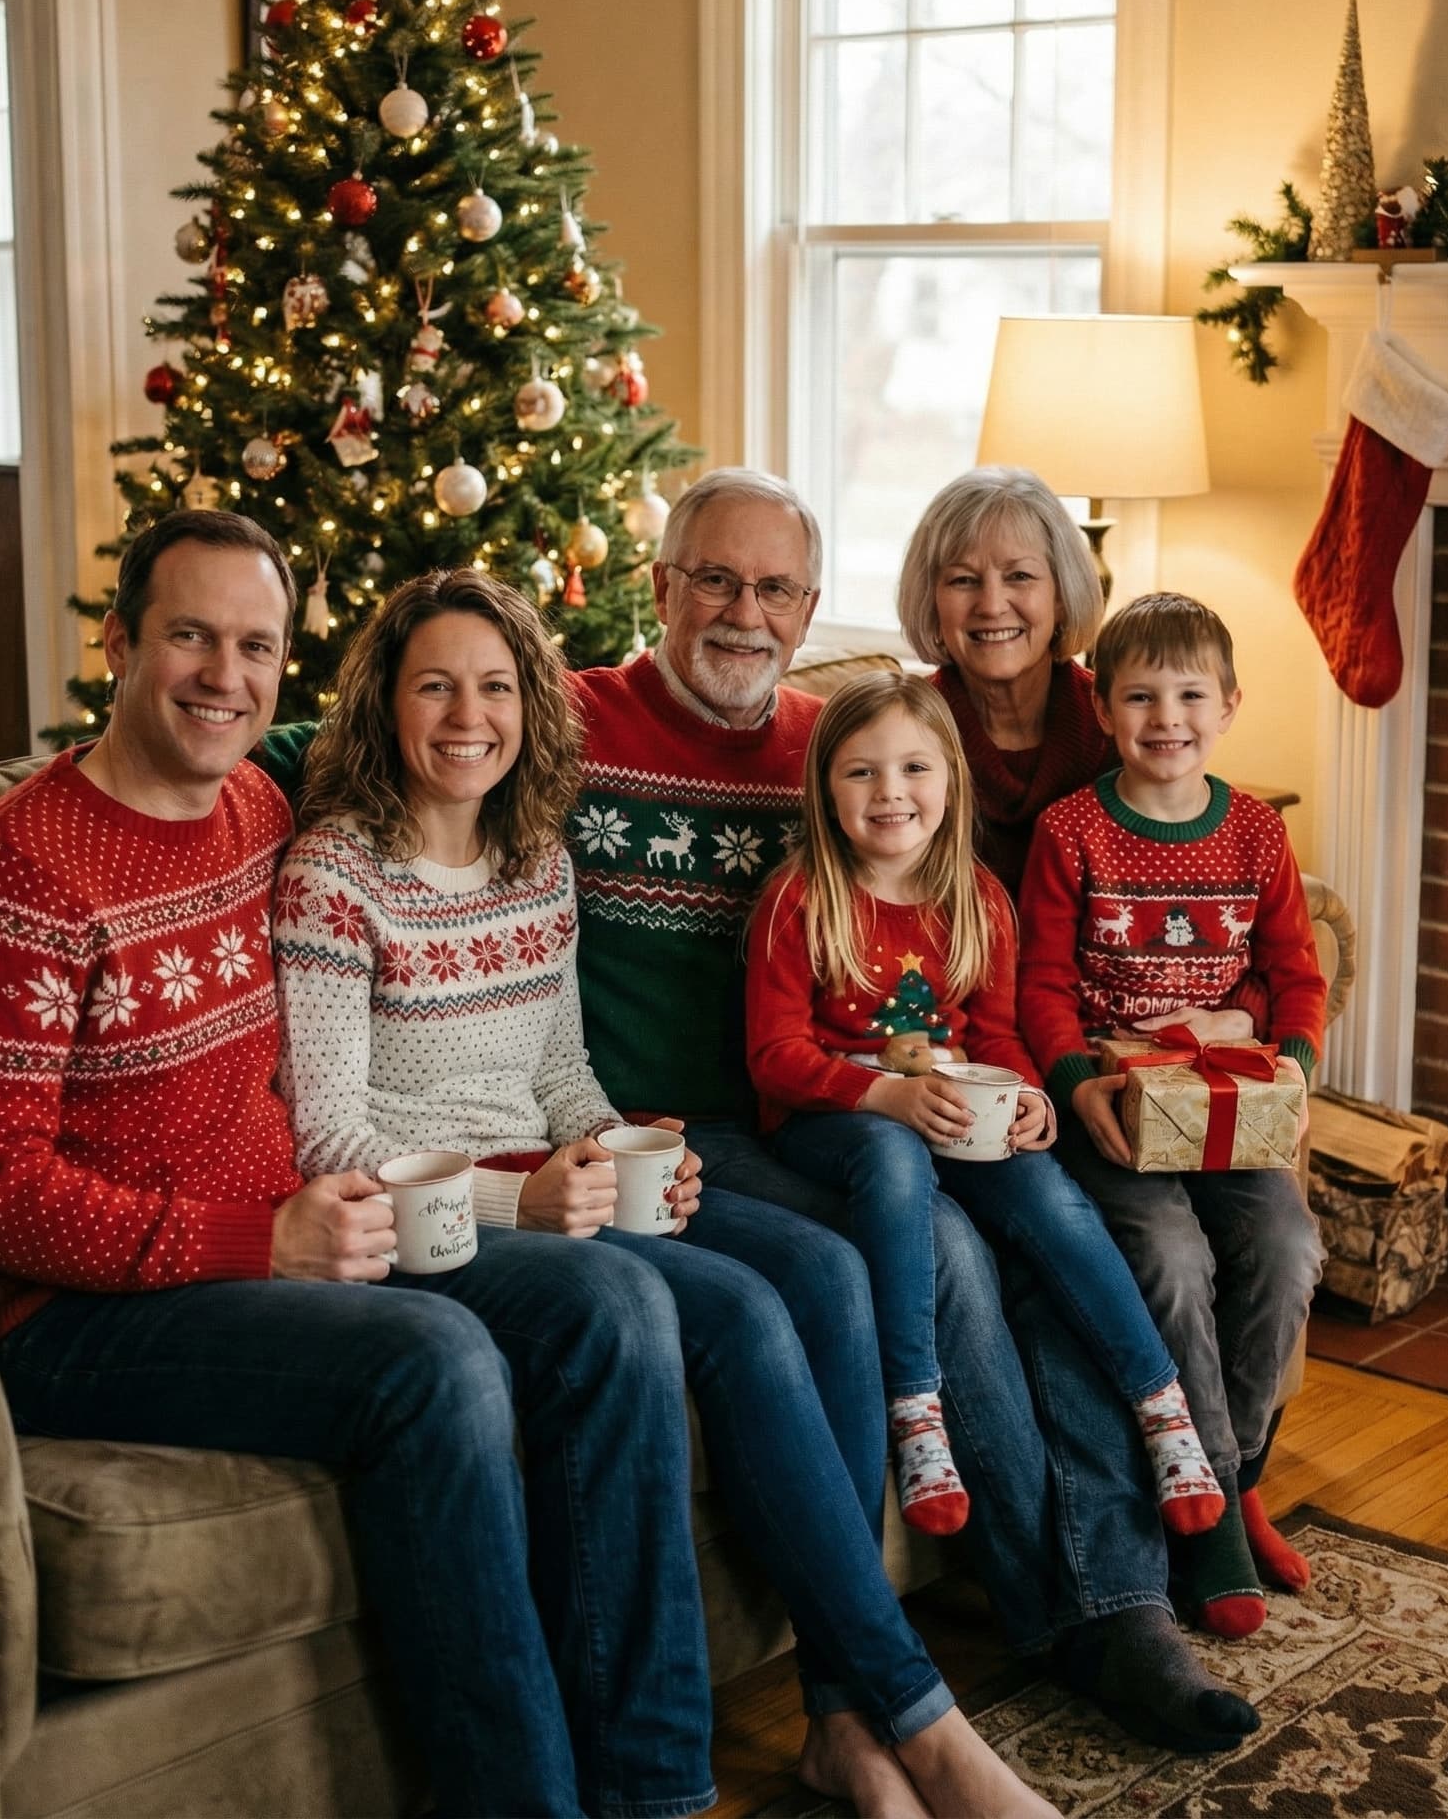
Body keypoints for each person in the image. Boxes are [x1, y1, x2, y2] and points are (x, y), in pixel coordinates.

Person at [0, 510, 705, 1819]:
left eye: (255, 645)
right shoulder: (6, 880)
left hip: (299, 1243)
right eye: (190, 638)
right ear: (119, 643)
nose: (225, 676)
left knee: (612, 1309)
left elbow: (412, 808)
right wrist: (252, 1242)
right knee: (431, 1365)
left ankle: (653, 1792)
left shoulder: (262, 809)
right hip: (79, 1318)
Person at [273, 564, 1057, 1819]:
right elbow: (334, 1137)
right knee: (739, 1314)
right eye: (434, 685)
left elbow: (556, 1062)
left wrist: (625, 1139)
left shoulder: (534, 855)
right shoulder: (334, 873)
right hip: (432, 1213)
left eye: (493, 686)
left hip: (562, 1181)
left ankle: (846, 1719)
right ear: (384, 704)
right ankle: (914, 1714)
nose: (466, 715)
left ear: (533, 704)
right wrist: (515, 1200)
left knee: (817, 1271)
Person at [566, 467, 1259, 1757]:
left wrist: (1037, 1083)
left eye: (773, 587)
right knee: (938, 1247)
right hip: (707, 1123)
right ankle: (1082, 1612)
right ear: (659, 586)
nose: (741, 610)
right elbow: (369, 733)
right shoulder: (569, 717)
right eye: (712, 577)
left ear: (809, 606)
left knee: (1039, 1228)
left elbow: (1021, 934)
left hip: (889, 1106)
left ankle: (1134, 1568)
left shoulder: (829, 739)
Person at [745, 671, 1226, 1543]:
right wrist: (885, 1096)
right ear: (824, 789)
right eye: (861, 773)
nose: (891, 793)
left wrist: (1033, 1097)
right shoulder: (800, 897)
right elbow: (775, 1057)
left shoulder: (977, 898)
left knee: (1047, 1192)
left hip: (956, 1114)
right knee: (892, 1157)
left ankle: (1161, 1403)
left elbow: (998, 1038)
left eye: (914, 769)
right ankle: (916, 1408)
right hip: (834, 1124)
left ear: (950, 782)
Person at [1018, 591, 1329, 1642]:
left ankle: (1231, 1481)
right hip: (1116, 1119)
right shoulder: (1070, 833)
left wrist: (1288, 1063)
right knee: (1172, 1259)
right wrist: (1070, 1078)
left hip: (1228, 1111)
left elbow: (1293, 971)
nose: (1166, 717)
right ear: (1101, 708)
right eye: (1139, 695)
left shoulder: (1252, 833)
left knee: (1286, 1246)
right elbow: (1041, 984)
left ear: (1229, 704)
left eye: (1190, 694)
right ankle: (1203, 1523)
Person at [896, 467, 1113, 896]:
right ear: (932, 601)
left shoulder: (1117, 724)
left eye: (1019, 576)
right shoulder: (901, 732)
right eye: (963, 580)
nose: (992, 606)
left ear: (1062, 597)